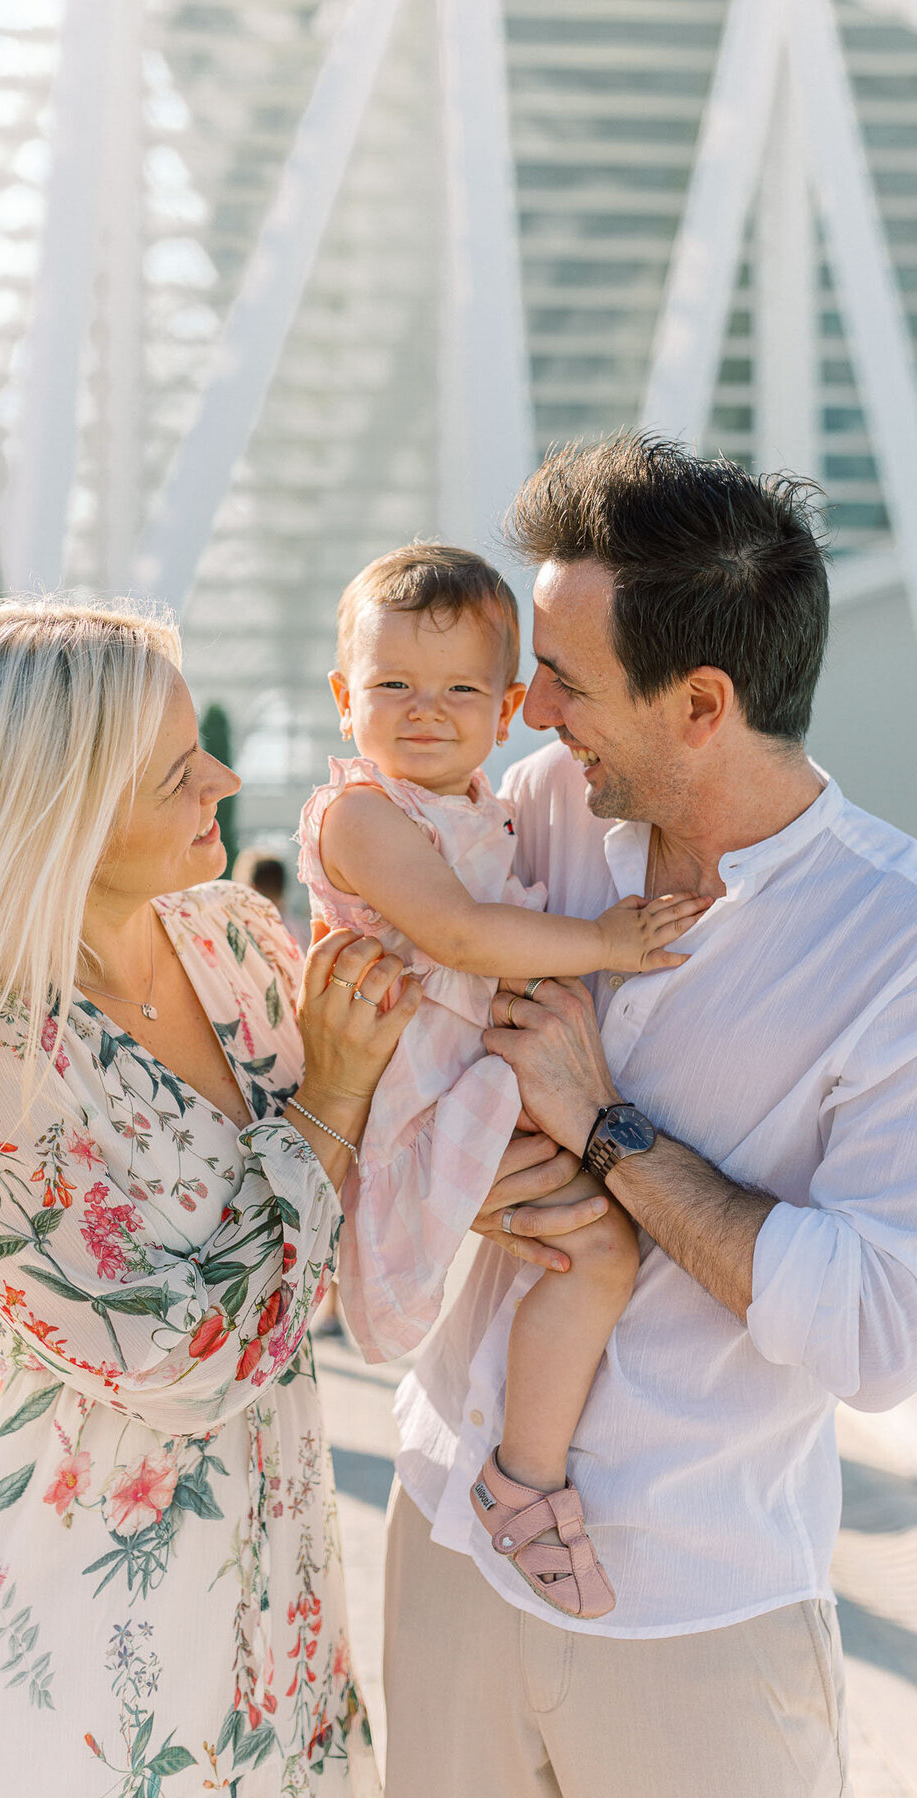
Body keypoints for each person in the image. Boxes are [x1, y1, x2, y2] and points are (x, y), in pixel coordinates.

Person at [370, 436, 917, 1798]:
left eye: (567, 678)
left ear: (704, 702)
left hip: (695, 1612)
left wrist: (608, 1128)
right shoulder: (529, 814)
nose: (531, 706)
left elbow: (883, 1332)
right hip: (444, 1539)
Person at [0, 599, 419, 1797]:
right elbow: (186, 1360)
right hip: (80, 1588)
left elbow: (363, 1203)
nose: (218, 772)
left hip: (277, 1562)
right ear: (56, 809)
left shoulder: (235, 937)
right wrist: (335, 1094)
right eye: (175, 769)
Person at [296, 544, 710, 1620]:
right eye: (392, 686)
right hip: (421, 1096)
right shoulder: (360, 814)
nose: (424, 712)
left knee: (599, 1248)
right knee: (591, 1241)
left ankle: (521, 1475)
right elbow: (460, 932)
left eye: (459, 690)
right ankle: (525, 1484)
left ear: (509, 707)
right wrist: (604, 944)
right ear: (346, 699)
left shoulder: (486, 805)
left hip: (478, 1086)